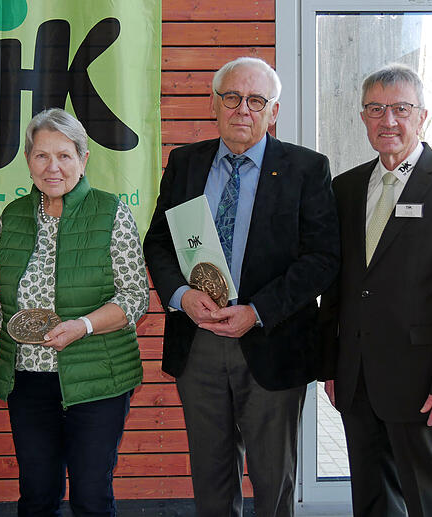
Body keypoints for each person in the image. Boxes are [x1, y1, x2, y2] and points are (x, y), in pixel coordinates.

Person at [143, 57, 340, 516]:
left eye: (256, 101)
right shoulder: (186, 163)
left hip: (272, 341)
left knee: (274, 480)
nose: (242, 110)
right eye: (232, 98)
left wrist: (257, 310)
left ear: (274, 111)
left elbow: (323, 259)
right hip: (199, 342)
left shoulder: (306, 169)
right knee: (210, 477)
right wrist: (180, 296)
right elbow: (159, 241)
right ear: (215, 105)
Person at [318, 64, 432, 516]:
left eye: (401, 108)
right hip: (357, 381)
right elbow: (337, 286)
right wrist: (331, 365)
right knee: (373, 499)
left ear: (423, 116)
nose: (388, 120)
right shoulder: (346, 187)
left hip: (423, 382)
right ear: (362, 118)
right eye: (376, 109)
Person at [0, 108, 148, 517]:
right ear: (28, 161)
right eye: (41, 156)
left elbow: (135, 297)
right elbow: (7, 302)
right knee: (37, 497)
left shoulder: (111, 212)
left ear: (83, 158)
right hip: (28, 383)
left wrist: (84, 325)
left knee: (91, 498)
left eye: (64, 155)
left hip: (97, 379)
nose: (53, 166)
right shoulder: (12, 218)